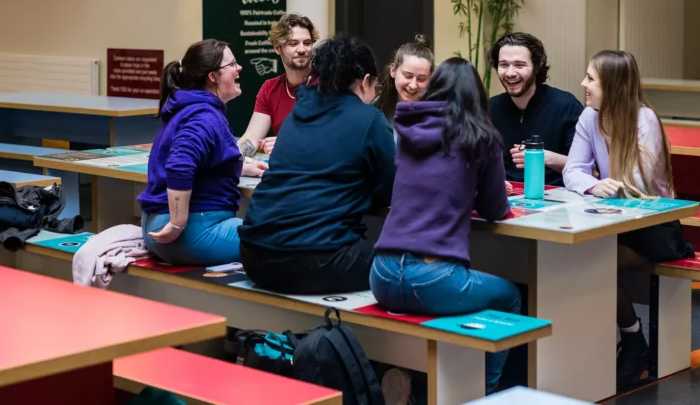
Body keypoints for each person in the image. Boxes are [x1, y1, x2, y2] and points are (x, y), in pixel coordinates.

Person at [371, 58, 520, 395]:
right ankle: (488, 392)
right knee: (510, 297)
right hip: (434, 278)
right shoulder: (481, 137)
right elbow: (496, 210)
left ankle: (415, 385)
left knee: (433, 304)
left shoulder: (406, 131)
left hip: (381, 273)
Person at [562, 50, 694, 389]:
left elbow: (638, 183)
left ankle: (632, 343)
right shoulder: (589, 117)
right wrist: (594, 183)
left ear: (614, 86)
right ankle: (626, 342)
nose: (583, 85)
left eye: (591, 79)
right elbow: (572, 171)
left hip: (655, 230)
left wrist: (603, 186)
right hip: (613, 224)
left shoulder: (644, 119)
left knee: (593, 260)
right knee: (581, 257)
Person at [238, 34, 396, 294]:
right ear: (366, 81)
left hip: (254, 257)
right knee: (406, 259)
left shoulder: (296, 115)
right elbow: (388, 190)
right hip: (312, 261)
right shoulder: (370, 119)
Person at [137, 40, 268, 267]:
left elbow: (204, 160)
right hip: (188, 231)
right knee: (282, 241)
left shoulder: (191, 107)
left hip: (163, 226)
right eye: (232, 64)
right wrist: (178, 223)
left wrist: (241, 167)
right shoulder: (204, 116)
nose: (240, 68)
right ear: (213, 77)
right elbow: (180, 164)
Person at [488, 32, 583, 186]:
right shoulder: (490, 108)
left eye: (520, 65)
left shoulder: (566, 105)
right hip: (505, 197)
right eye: (504, 65)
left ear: (536, 67)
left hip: (557, 197)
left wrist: (541, 157)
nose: (510, 73)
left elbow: (589, 169)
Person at [237, 12, 319, 156]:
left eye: (307, 43)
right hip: (285, 172)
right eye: (293, 44)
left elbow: (337, 138)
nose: (302, 50)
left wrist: (288, 143)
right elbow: (251, 138)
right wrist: (230, 159)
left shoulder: (329, 83)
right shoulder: (270, 88)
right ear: (277, 48)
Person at [373, 34, 435, 130]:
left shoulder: (438, 115)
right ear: (393, 71)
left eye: (421, 79)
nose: (413, 85)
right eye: (408, 76)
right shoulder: (375, 110)